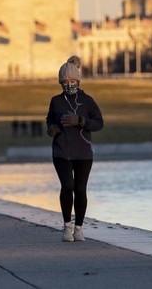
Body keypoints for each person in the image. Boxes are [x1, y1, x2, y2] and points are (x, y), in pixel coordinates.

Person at [46, 55, 104, 242]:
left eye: (72, 81)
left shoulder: (87, 101)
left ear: (78, 81)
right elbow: (50, 120)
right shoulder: (56, 101)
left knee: (80, 189)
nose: (68, 84)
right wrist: (52, 129)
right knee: (67, 186)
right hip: (61, 151)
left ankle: (78, 228)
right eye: (64, 82)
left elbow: (99, 123)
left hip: (83, 152)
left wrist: (80, 121)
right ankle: (66, 226)